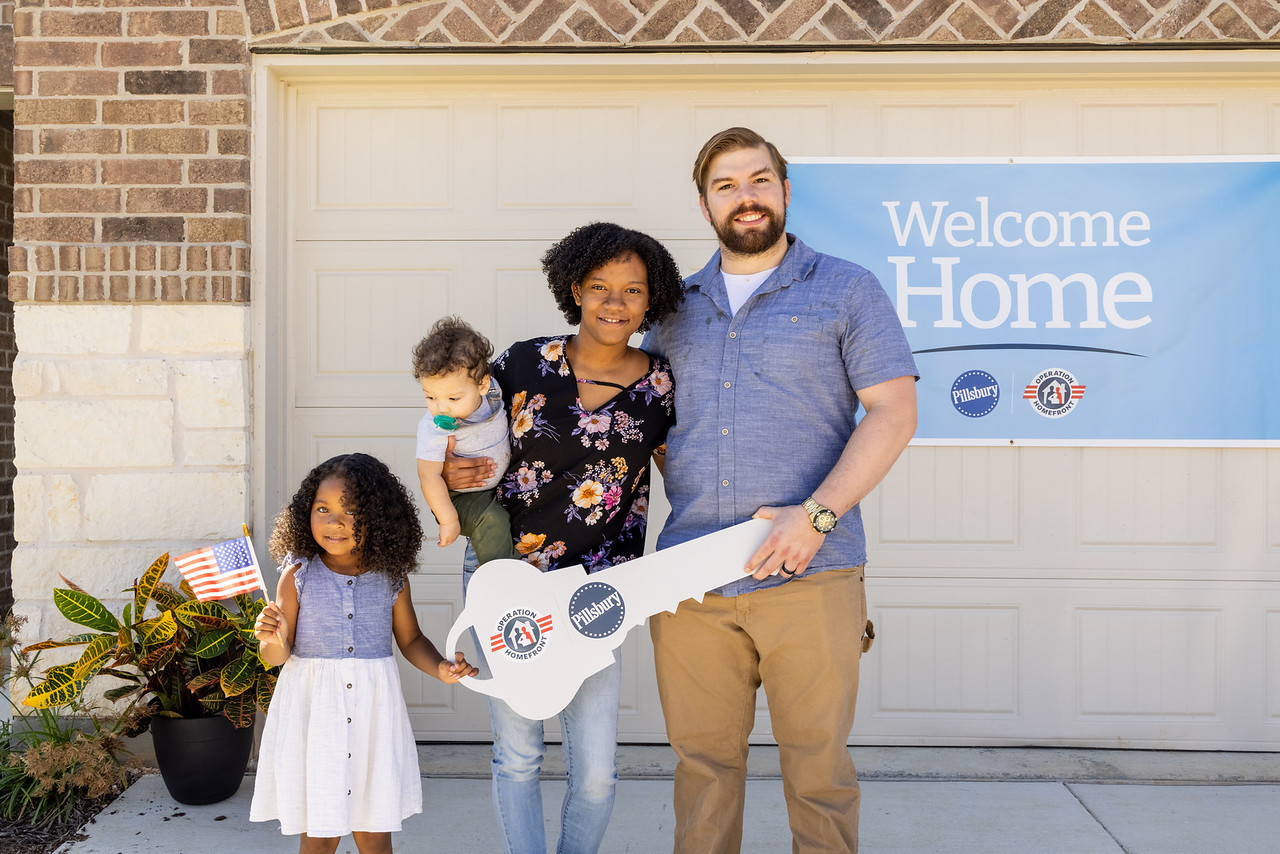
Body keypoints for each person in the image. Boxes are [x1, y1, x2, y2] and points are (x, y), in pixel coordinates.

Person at [642, 127, 919, 854]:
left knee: (818, 772)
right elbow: (643, 424)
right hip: (693, 581)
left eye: (760, 180)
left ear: (786, 192)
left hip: (810, 571)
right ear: (705, 206)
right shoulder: (671, 308)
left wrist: (816, 515)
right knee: (701, 771)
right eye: (727, 185)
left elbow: (894, 410)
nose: (746, 197)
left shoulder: (847, 288)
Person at [443, 221, 685, 854]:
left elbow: (683, 474)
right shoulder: (523, 363)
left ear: (650, 300)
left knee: (598, 774)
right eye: (600, 287)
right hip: (507, 577)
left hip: (600, 592)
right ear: (574, 288)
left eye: (632, 290)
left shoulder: (661, 386)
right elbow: (455, 426)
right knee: (519, 754)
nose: (614, 303)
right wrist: (447, 467)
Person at [249, 452, 478, 854]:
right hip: (316, 716)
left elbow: (410, 640)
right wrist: (270, 638)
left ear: (379, 519)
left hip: (374, 711)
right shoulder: (298, 573)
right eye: (322, 509)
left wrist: (440, 668)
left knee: (374, 831)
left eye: (350, 511)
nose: (333, 522)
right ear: (306, 512)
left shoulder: (391, 576)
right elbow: (277, 657)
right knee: (320, 831)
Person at [411, 315, 517, 565]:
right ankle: (505, 572)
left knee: (503, 515)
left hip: (492, 491)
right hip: (459, 499)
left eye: (452, 399)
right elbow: (428, 476)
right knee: (491, 520)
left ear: (483, 385)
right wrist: (448, 519)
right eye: (431, 397)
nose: (441, 408)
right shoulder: (434, 428)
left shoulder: (493, 392)